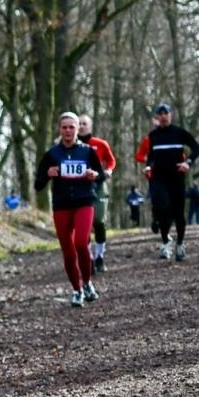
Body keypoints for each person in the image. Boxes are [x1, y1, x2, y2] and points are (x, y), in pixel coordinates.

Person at [35, 112, 105, 307]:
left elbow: (101, 175)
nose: (68, 131)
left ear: (78, 130)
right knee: (68, 251)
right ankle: (77, 290)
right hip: (61, 205)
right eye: (64, 127)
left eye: (71, 127)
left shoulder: (88, 151)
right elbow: (38, 185)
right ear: (59, 130)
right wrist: (48, 174)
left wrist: (94, 175)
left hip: (84, 202)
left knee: (81, 243)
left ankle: (88, 282)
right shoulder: (51, 154)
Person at [134, 103, 199, 261]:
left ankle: (180, 243)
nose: (163, 116)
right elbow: (151, 156)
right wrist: (148, 167)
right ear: (157, 117)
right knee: (162, 209)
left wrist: (188, 163)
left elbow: (197, 148)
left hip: (176, 177)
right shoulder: (153, 136)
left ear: (171, 115)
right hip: (158, 178)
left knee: (178, 213)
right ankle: (165, 241)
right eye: (160, 113)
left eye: (166, 113)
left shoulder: (179, 133)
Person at [77, 115, 116, 273]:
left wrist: (108, 170)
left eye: (84, 124)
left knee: (99, 221)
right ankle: (89, 258)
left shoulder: (100, 144)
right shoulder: (72, 146)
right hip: (79, 187)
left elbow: (112, 160)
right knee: (83, 226)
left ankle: (100, 255)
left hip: (98, 185)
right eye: (78, 124)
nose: (81, 126)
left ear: (90, 126)